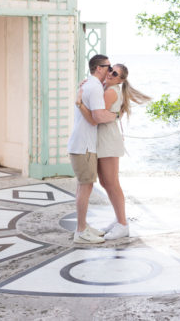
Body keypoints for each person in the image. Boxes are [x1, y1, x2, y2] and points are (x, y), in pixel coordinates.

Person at [76, 63, 151, 240]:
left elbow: (97, 115)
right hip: (103, 140)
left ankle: (123, 224)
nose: (110, 73)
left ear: (121, 79)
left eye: (115, 73)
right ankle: (119, 221)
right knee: (106, 182)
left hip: (107, 141)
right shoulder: (106, 88)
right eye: (110, 70)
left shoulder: (110, 91)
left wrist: (81, 99)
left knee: (112, 183)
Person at [67, 54, 117, 244]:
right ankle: (80, 231)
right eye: (108, 67)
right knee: (85, 188)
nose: (110, 71)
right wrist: (115, 115)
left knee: (83, 187)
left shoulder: (89, 85)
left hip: (82, 144)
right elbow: (97, 117)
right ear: (99, 68)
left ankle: (83, 226)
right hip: (84, 146)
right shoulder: (94, 88)